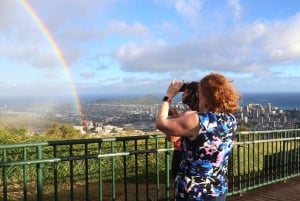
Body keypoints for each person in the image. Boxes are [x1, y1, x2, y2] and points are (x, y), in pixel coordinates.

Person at [156, 73, 241, 201]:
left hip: (194, 192)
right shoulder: (231, 120)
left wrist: (168, 96)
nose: (199, 96)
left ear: (207, 95)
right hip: (218, 188)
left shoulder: (197, 120)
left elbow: (161, 123)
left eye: (200, 92)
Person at [167, 82, 199, 181]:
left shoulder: (188, 115)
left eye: (186, 92)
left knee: (180, 184)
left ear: (193, 95)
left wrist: (173, 121)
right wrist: (177, 118)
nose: (183, 94)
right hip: (196, 153)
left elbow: (172, 138)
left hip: (182, 154)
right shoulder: (201, 114)